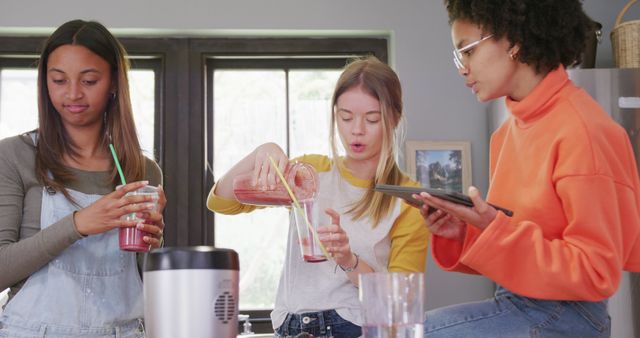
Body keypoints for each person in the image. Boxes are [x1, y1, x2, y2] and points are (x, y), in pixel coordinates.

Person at [411, 1, 640, 337]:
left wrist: (494, 229)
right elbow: (517, 245)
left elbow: (596, 271)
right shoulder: (506, 134)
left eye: (468, 52)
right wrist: (463, 231)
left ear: (513, 40)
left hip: (568, 315)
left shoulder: (584, 130)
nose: (462, 68)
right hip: (516, 301)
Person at [207, 56, 429, 337]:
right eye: (346, 117)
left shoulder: (407, 202)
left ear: (394, 118)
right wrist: (262, 152)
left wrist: (349, 260)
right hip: (290, 329)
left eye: (372, 119)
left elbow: (400, 307)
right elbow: (222, 202)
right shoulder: (309, 172)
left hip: (352, 328)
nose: (356, 130)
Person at [0, 20, 166, 338]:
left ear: (114, 82)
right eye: (59, 80)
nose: (73, 93)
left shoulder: (143, 172)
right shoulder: (14, 156)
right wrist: (78, 224)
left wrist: (154, 243)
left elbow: (148, 283)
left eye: (89, 80)